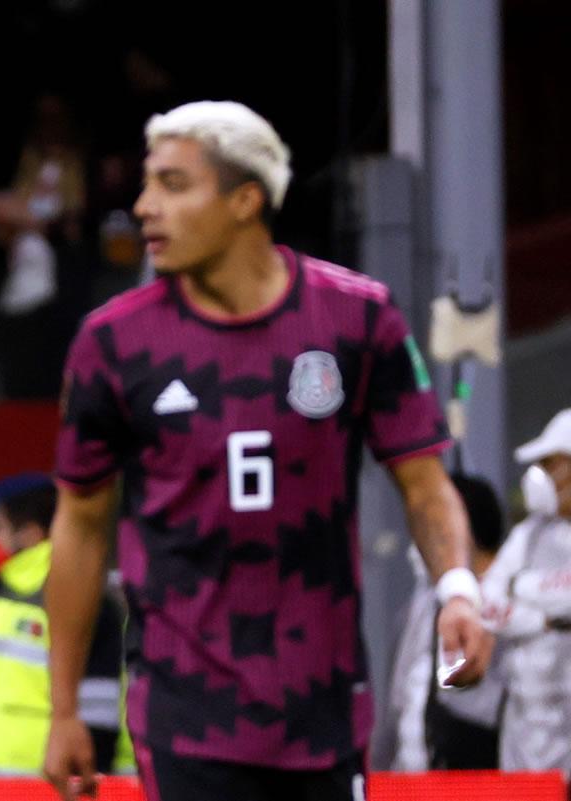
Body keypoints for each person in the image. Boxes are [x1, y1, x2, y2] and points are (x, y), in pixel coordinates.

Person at [43, 100, 492, 801]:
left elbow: (425, 483)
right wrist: (63, 706)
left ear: (245, 199)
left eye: (172, 184)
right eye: (146, 183)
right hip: (182, 712)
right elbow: (79, 524)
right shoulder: (113, 343)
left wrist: (457, 589)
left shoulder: (358, 316)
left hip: (325, 707)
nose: (144, 206)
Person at [0, 479, 124, 776]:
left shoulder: (77, 595)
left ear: (29, 534)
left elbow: (100, 706)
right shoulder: (8, 590)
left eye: (0, 529)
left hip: (52, 779)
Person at [386, 474, 507, 771]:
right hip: (419, 774)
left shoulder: (512, 597)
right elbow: (398, 701)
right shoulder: (425, 606)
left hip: (496, 774)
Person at [481, 409, 571, 778]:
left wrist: (525, 590)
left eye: (553, 465)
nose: (544, 478)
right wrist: (545, 620)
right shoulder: (527, 537)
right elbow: (487, 604)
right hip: (526, 723)